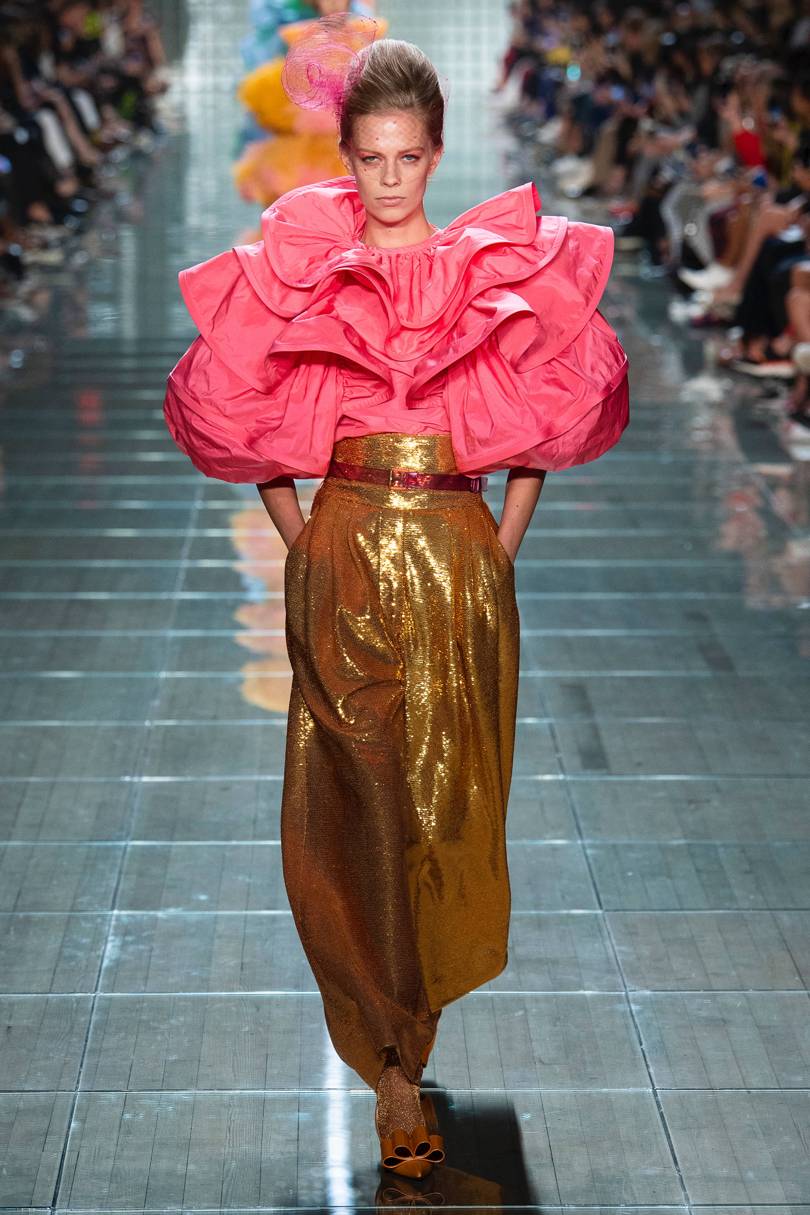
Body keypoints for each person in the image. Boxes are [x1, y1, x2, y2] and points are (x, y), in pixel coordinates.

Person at [163, 15, 629, 1180]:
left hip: (460, 563)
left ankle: (411, 1034)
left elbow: (542, 427)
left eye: (406, 157)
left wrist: (497, 551)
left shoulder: (489, 272)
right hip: (348, 554)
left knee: (444, 813)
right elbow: (249, 419)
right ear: (347, 155)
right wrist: (306, 542)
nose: (385, 179)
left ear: (435, 152)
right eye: (368, 157)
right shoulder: (307, 273)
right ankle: (389, 1068)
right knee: (356, 807)